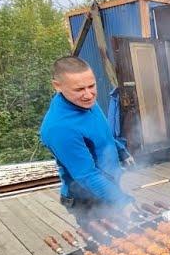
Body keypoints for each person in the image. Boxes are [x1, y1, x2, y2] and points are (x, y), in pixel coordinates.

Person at [40, 56, 136, 230]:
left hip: (110, 185)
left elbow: (103, 135)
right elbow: (86, 175)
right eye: (79, 89)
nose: (88, 94)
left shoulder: (85, 101)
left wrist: (121, 151)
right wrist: (121, 200)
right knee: (109, 247)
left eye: (91, 86)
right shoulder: (59, 127)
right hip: (89, 199)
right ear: (57, 86)